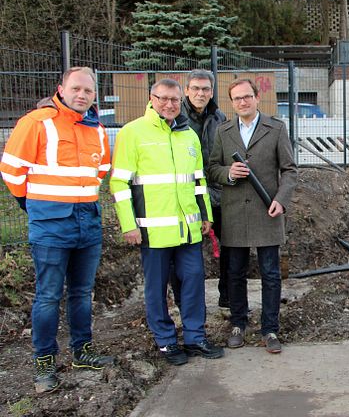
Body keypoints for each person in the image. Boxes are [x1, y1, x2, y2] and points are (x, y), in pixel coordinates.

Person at [0, 67, 115, 393]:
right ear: (61, 89)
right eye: (76, 88)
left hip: (87, 221)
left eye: (88, 91)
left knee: (82, 292)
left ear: (94, 96)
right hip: (51, 223)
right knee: (48, 295)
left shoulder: (97, 129)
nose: (82, 95)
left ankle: (83, 351)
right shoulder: (37, 123)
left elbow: (101, 170)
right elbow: (11, 171)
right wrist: (35, 205)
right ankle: (44, 362)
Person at [110, 78, 224, 365]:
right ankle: (166, 341)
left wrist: (206, 216)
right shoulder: (132, 132)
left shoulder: (188, 136)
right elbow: (119, 182)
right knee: (156, 288)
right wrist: (128, 224)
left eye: (174, 100)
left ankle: (195, 337)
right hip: (153, 232)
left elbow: (198, 181)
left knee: (194, 282)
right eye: (163, 99)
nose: (170, 104)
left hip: (189, 229)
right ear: (152, 98)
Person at [207, 79, 297, 353]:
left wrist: (281, 200)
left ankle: (270, 329)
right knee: (235, 272)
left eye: (247, 96)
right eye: (237, 98)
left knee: (270, 273)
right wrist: (229, 174)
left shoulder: (276, 128)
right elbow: (212, 169)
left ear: (257, 98)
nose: (243, 102)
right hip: (235, 213)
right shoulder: (224, 131)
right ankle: (238, 323)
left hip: (266, 210)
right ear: (231, 102)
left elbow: (290, 170)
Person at [169, 69, 229, 310]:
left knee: (230, 250)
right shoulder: (174, 116)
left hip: (217, 192)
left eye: (205, 89)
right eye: (195, 88)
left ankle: (227, 299)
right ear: (186, 90)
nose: (200, 93)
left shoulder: (219, 118)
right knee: (184, 252)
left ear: (212, 91)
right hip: (186, 195)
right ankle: (185, 303)